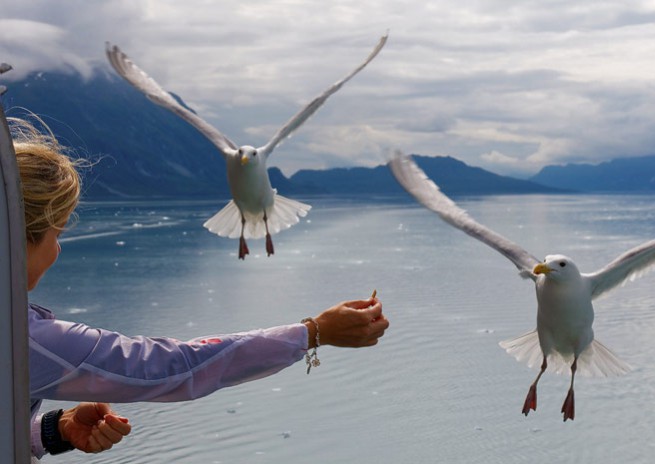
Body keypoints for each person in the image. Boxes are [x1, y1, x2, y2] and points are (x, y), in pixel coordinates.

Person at [13, 115, 390, 457]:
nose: (57, 250)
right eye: (57, 233)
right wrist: (313, 332)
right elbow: (172, 367)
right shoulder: (22, 339)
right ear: (18, 236)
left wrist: (52, 431)